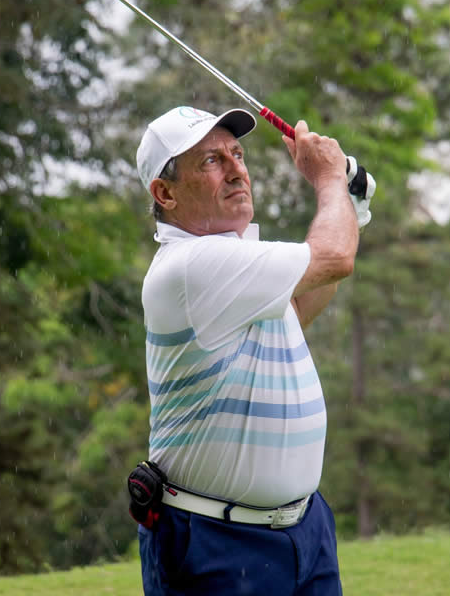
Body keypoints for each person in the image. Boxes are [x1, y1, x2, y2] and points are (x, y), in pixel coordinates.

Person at [132, 105, 374, 596]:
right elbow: (334, 257)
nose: (235, 169)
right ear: (165, 193)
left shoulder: (233, 259)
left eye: (237, 154)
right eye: (211, 161)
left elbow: (298, 309)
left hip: (305, 529)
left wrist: (352, 206)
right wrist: (330, 178)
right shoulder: (191, 264)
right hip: (217, 542)